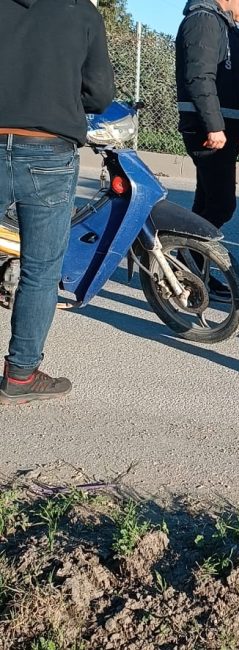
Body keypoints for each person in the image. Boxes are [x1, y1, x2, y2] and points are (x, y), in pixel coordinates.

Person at [0, 0, 114, 405]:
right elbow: (100, 94)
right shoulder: (79, 11)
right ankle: (20, 374)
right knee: (41, 269)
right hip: (47, 149)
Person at [175, 0, 239, 237]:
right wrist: (214, 126)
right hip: (208, 130)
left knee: (206, 205)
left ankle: (187, 269)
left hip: (221, 128)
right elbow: (199, 76)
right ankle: (181, 261)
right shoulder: (204, 20)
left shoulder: (222, 24)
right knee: (221, 206)